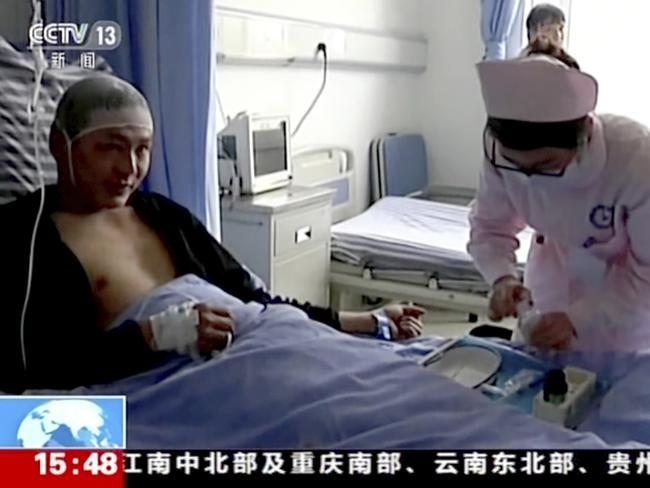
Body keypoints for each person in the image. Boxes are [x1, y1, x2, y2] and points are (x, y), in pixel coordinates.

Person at [0, 75, 424, 393]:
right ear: (61, 145)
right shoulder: (24, 236)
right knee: (32, 451)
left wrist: (366, 320)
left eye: (142, 148)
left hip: (264, 346)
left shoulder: (165, 216)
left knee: (386, 387)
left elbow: (252, 298)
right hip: (177, 390)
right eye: (110, 147)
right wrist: (153, 337)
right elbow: (32, 371)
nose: (130, 168)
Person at [469, 40, 650, 352]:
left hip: (623, 305)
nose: (528, 178)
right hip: (549, 281)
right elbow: (490, 227)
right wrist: (502, 279)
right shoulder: (500, 153)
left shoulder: (635, 158)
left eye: (545, 166)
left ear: (583, 138)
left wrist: (579, 318)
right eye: (516, 165)